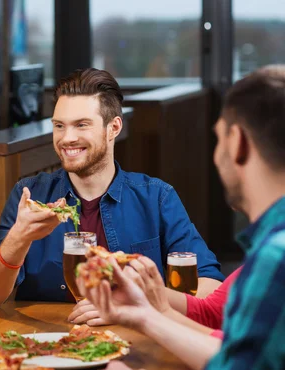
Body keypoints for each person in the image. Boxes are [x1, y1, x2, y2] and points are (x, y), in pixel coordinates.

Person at [82, 65, 285, 370]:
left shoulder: (275, 257)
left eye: (218, 140)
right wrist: (147, 313)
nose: (217, 157)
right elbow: (229, 341)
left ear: (238, 142)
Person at [0, 68, 223, 322]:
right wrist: (18, 238)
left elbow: (211, 287)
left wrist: (134, 305)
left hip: (135, 350)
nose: (67, 138)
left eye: (81, 125)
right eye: (59, 126)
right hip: (48, 347)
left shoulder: (157, 197)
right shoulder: (29, 195)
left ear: (113, 128)